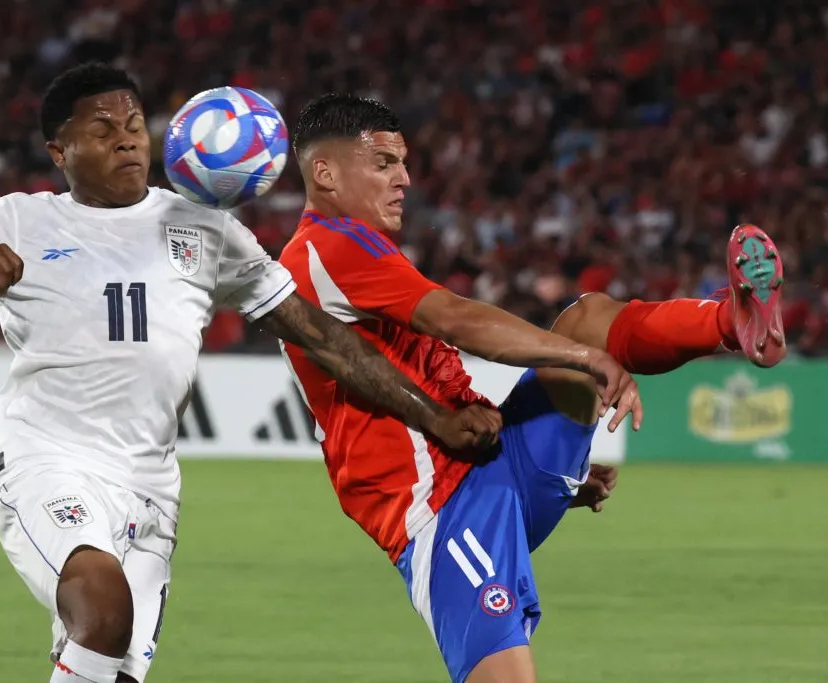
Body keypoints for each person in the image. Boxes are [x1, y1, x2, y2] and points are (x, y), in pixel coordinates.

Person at [0, 64, 506, 683]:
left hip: (148, 482)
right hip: (46, 453)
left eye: (134, 124)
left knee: (106, 658)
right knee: (103, 611)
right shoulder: (22, 220)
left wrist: (435, 417)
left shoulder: (203, 230)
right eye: (102, 129)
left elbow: (325, 338)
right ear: (60, 152)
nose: (125, 139)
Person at [277, 93, 785, 683]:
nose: (405, 179)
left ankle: (732, 321)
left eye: (403, 162)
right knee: (583, 337)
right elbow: (457, 319)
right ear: (325, 172)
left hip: (494, 460)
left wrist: (556, 459)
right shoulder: (323, 250)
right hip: (440, 510)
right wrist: (582, 360)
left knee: (589, 316)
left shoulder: (357, 247)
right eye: (385, 163)